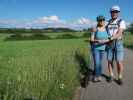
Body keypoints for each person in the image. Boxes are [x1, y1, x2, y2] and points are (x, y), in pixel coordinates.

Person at [106, 5, 126, 85]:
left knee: (119, 61)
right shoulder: (107, 22)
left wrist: (111, 38)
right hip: (109, 44)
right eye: (113, 12)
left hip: (118, 43)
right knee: (109, 60)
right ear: (110, 13)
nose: (114, 13)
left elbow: (120, 32)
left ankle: (120, 77)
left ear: (118, 13)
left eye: (116, 12)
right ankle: (111, 75)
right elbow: (102, 29)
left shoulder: (121, 21)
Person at [90, 15, 110, 82]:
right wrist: (97, 41)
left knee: (99, 63)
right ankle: (96, 76)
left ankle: (99, 75)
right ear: (97, 21)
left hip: (103, 48)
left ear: (104, 21)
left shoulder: (107, 29)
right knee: (97, 62)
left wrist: (105, 41)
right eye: (100, 20)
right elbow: (92, 39)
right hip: (95, 48)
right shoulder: (95, 29)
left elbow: (109, 38)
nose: (101, 21)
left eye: (103, 20)